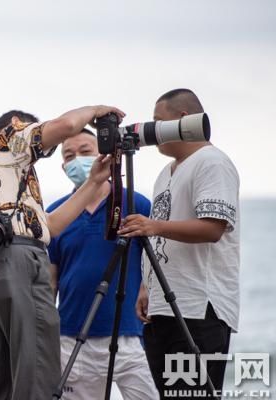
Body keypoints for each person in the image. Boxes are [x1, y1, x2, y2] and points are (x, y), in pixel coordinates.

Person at [0, 106, 125, 400]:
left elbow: (51, 226)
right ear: (17, 124)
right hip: (15, 262)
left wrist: (94, 182)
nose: (44, 150)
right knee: (37, 370)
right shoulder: (8, 138)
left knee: (4, 379)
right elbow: (63, 125)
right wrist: (97, 111)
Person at [119, 88, 240, 398]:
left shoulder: (211, 162)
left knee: (192, 394)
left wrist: (152, 225)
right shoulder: (166, 173)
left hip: (199, 307)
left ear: (184, 120)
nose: (154, 132)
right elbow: (161, 237)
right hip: (164, 306)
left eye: (159, 122)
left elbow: (213, 228)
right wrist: (147, 286)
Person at [46, 130, 158, 399]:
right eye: (69, 156)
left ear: (104, 155)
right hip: (71, 335)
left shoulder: (135, 204)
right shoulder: (54, 215)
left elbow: (156, 262)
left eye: (86, 152)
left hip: (129, 333)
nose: (77, 160)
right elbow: (50, 280)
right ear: (63, 167)